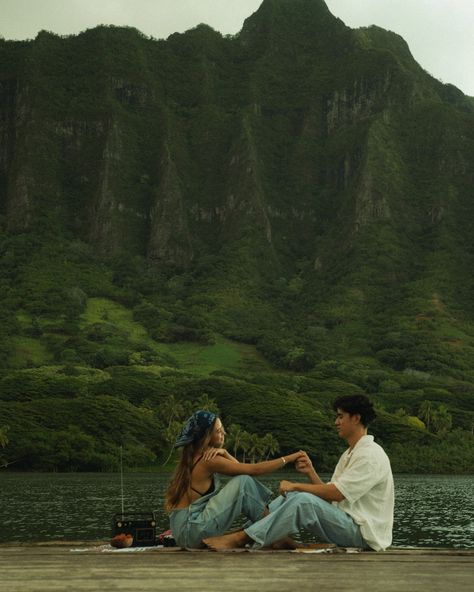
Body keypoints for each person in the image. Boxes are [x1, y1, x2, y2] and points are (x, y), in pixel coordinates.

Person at [203, 394, 394, 552]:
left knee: (301, 498)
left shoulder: (370, 455)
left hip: (363, 535)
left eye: (340, 416)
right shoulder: (350, 453)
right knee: (296, 496)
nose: (336, 422)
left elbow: (336, 493)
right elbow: (331, 497)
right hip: (347, 523)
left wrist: (295, 485)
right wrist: (310, 472)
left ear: (356, 418)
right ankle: (267, 536)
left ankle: (242, 537)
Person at [165, 410, 305, 549]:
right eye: (218, 431)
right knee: (243, 483)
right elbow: (253, 471)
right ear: (206, 436)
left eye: (223, 430)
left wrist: (225, 453)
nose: (223, 434)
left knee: (248, 488)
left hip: (185, 533)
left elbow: (240, 469)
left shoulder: (196, 456)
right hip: (190, 532)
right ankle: (276, 536)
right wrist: (290, 458)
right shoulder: (208, 460)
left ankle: (272, 534)